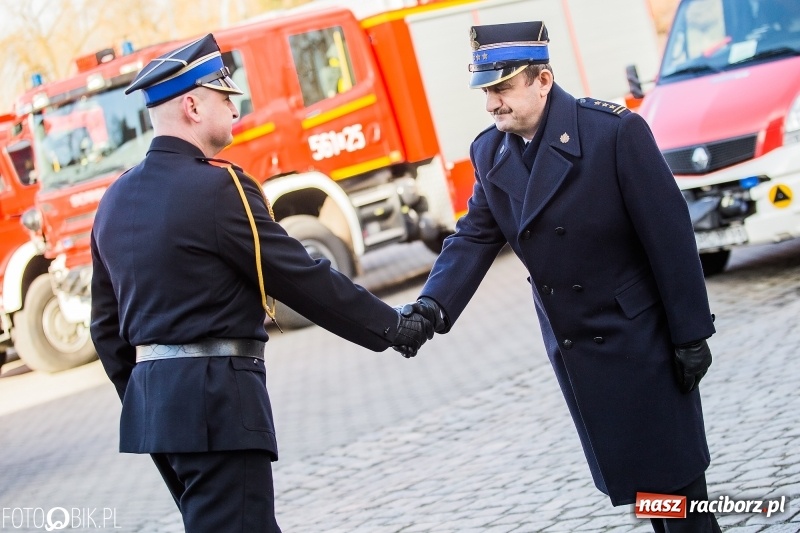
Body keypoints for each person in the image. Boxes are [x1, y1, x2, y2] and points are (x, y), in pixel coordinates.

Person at [90, 34, 432, 533]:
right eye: (224, 96)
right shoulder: (217, 187)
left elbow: (105, 328)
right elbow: (301, 278)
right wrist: (394, 328)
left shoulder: (114, 198)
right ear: (191, 105)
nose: (235, 106)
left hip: (158, 412)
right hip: (218, 407)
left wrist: (152, 392)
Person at [400, 21, 721, 532]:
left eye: (502, 88)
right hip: (579, 349)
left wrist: (690, 333)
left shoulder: (613, 132)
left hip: (642, 342)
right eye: (487, 91)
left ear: (543, 80)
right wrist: (431, 306)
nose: (491, 104)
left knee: (680, 492)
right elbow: (475, 236)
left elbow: (671, 236)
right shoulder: (490, 151)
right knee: (649, 494)